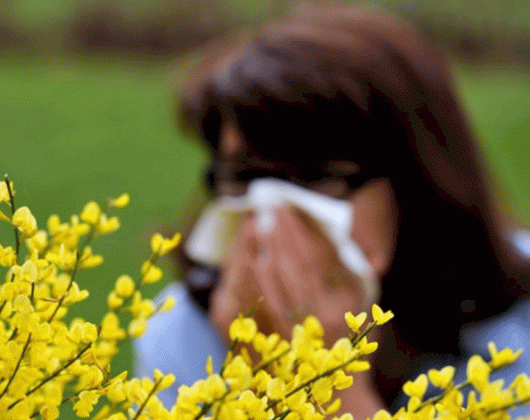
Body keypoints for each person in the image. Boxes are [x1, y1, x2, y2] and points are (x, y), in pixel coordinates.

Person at [134, 5, 530, 417]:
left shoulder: (518, 328)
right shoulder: (183, 332)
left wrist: (324, 383)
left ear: (413, 182)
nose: (274, 210)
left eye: (317, 178)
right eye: (245, 176)